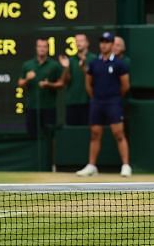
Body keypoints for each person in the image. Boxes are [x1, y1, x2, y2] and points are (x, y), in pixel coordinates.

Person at [76, 31, 132, 177]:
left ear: (112, 44)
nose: (104, 45)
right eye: (102, 42)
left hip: (113, 102)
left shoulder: (120, 64)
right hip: (97, 103)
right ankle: (92, 166)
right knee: (95, 134)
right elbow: (88, 84)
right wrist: (96, 98)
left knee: (119, 134)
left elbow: (125, 85)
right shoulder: (94, 63)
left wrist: (114, 97)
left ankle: (126, 166)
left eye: (107, 42)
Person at [18, 38, 62, 138]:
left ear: (48, 49)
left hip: (49, 107)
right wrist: (27, 79)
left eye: (44, 47)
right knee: (32, 135)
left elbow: (61, 84)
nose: (42, 49)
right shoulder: (27, 65)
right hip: (32, 107)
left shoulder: (54, 65)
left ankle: (49, 154)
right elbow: (20, 83)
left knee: (50, 136)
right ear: (36, 48)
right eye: (40, 46)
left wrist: (49, 84)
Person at [57, 33, 96, 126]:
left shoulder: (94, 59)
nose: (78, 43)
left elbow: (96, 80)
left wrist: (84, 67)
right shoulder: (70, 61)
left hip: (88, 101)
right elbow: (65, 81)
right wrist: (66, 68)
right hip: (72, 101)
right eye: (76, 41)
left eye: (81, 41)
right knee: (73, 130)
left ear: (87, 43)